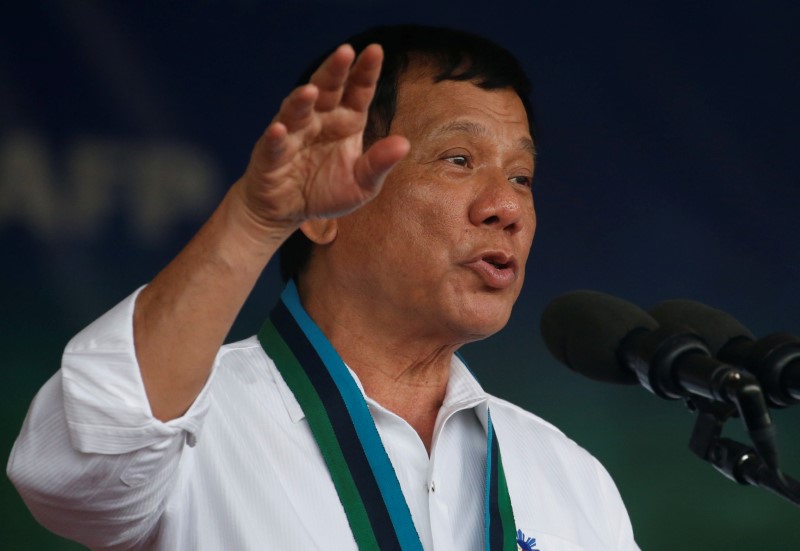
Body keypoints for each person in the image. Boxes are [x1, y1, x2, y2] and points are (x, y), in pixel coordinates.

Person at [8, 25, 639, 550]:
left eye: (523, 177)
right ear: (324, 210)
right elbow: (75, 468)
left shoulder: (570, 479)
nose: (507, 206)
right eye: (458, 160)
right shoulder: (197, 429)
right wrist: (254, 220)